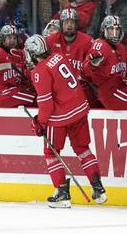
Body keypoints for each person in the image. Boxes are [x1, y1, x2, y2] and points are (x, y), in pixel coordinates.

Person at [24, 34, 107, 208]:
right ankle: (98, 188)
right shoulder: (59, 56)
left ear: (33, 52)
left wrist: (39, 122)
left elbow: (46, 104)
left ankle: (62, 192)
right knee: (83, 149)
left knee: (51, 153)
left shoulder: (39, 71)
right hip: (80, 109)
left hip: (60, 117)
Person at [46, 8, 99, 108]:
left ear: (77, 24)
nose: (69, 25)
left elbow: (94, 68)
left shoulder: (87, 41)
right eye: (66, 22)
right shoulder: (50, 41)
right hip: (57, 89)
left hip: (82, 89)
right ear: (61, 24)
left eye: (72, 22)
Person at [83, 15, 127, 110]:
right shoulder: (100, 45)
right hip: (109, 93)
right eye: (111, 29)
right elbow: (85, 70)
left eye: (117, 29)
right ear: (104, 30)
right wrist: (92, 65)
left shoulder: (121, 47)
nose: (115, 33)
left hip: (121, 87)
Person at [0, 25, 36, 107]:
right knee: (37, 99)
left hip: (16, 91)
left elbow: (26, 79)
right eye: (9, 37)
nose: (12, 40)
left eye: (14, 38)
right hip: (2, 94)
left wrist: (30, 70)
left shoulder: (20, 54)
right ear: (3, 39)